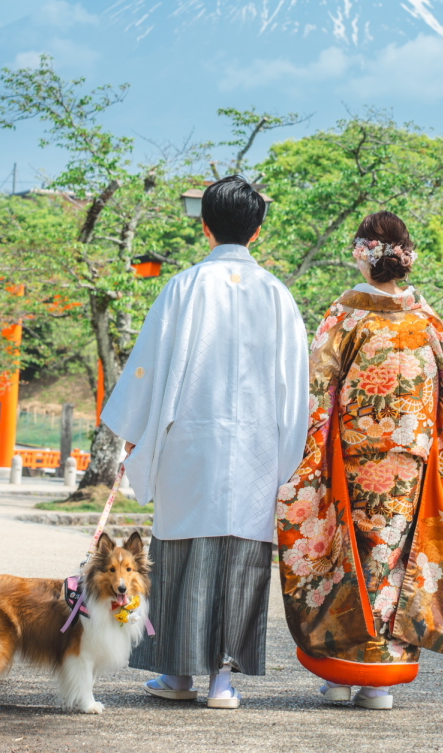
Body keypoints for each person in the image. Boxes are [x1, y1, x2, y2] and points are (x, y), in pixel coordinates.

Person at [101, 175, 310, 709]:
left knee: (180, 556)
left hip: (189, 440)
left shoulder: (184, 286)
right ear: (258, 231)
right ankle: (223, 681)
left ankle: (177, 677)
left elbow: (149, 368)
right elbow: (295, 387)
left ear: (204, 225)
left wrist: (134, 434)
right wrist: (290, 456)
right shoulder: (278, 296)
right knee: (241, 557)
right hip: (258, 446)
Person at [278, 210, 443, 710]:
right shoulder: (428, 320)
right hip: (412, 463)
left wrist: (315, 446)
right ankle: (382, 680)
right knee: (397, 556)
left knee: (349, 554)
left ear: (363, 255)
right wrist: (438, 432)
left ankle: (345, 672)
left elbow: (316, 384)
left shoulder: (347, 315)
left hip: (353, 457)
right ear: (405, 259)